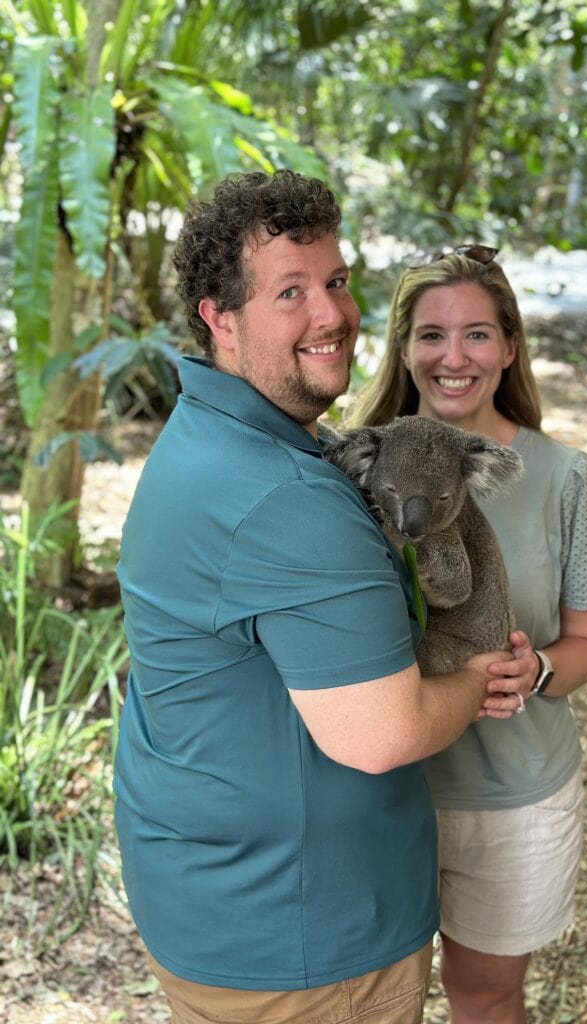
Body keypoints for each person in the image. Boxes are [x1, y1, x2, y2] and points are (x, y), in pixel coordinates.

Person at [113, 173, 520, 1024]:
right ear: (218, 319)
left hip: (223, 902)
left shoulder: (216, 437)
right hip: (303, 950)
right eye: (289, 292)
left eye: (335, 280)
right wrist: (483, 672)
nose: (330, 314)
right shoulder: (286, 501)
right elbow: (385, 734)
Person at [347, 245, 587, 1024]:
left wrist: (534, 672)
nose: (452, 357)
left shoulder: (568, 480)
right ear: (403, 349)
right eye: (431, 335)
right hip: (375, 788)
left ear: (508, 347)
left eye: (475, 335)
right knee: (370, 1001)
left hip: (511, 796)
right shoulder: (356, 464)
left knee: (486, 997)